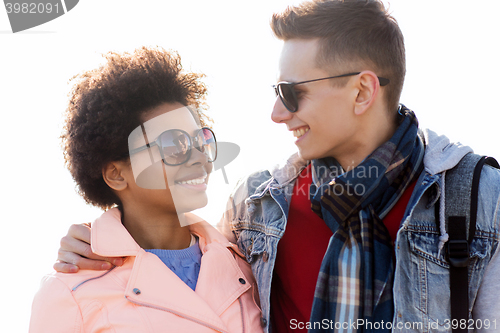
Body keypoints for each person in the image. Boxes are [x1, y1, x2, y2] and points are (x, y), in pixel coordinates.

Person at [53, 1, 500, 332]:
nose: (276, 113)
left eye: (291, 92)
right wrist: (98, 242)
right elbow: (175, 265)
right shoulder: (256, 209)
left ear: (363, 92)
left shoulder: (480, 199)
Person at [29, 46, 264, 333]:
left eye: (199, 140)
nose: (199, 157)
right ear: (116, 174)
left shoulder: (246, 263)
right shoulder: (71, 293)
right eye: (173, 144)